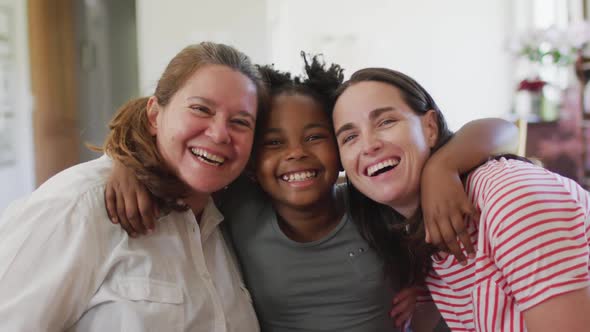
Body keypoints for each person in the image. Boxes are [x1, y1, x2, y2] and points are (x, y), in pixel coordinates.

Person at [106, 54, 520, 331]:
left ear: (341, 148)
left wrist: (442, 167)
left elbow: (502, 129)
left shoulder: (374, 202)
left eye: (316, 136)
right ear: (250, 162)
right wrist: (125, 161)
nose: (296, 154)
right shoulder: (239, 205)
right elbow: (168, 123)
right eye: (272, 142)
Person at [0, 42, 267, 331]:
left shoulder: (232, 220)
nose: (219, 134)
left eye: (240, 122)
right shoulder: (79, 205)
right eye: (201, 109)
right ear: (154, 114)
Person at [331, 67, 590, 331]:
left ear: (430, 127)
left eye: (386, 122)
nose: (369, 145)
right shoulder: (419, 235)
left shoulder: (508, 196)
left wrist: (441, 167)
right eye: (350, 137)